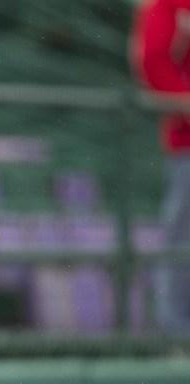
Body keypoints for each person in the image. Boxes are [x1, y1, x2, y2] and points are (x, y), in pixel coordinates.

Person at [130, 0, 190, 331]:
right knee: (183, 235)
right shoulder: (167, 4)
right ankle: (176, 332)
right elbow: (153, 60)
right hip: (187, 144)